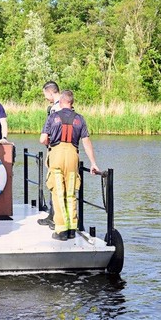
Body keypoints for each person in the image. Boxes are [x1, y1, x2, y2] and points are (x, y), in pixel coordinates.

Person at [39, 90, 100, 241]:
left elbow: (43, 139)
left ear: (61, 102)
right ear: (72, 103)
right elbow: (86, 142)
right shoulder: (79, 119)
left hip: (57, 154)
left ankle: (61, 230)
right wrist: (93, 163)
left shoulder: (53, 117)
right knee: (71, 193)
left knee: (58, 192)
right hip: (73, 155)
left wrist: (49, 143)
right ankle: (73, 227)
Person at [37, 81, 62, 228]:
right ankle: (54, 215)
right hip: (67, 150)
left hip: (55, 149)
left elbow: (49, 133)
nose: (45, 97)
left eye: (45, 94)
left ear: (50, 92)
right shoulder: (67, 106)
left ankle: (54, 216)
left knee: (54, 183)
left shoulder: (55, 109)